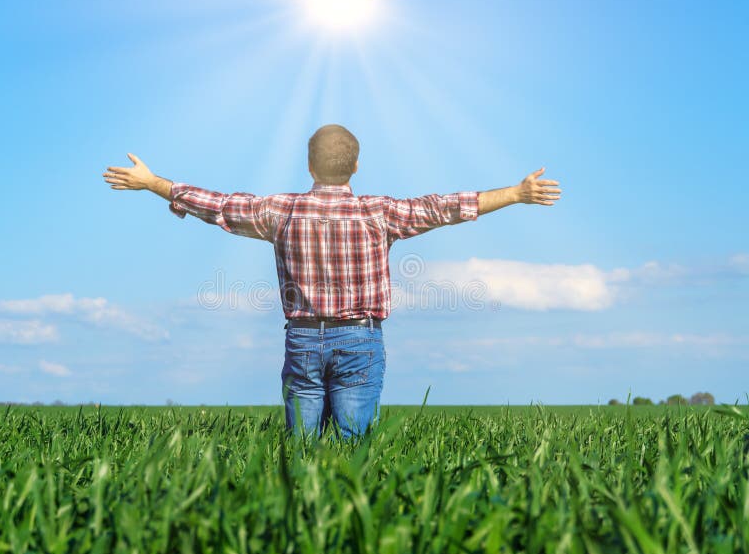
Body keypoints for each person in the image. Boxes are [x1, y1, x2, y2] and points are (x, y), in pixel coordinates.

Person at [103, 124, 561, 438]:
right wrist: (518, 194)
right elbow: (447, 206)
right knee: (352, 455)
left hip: (302, 340)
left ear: (309, 165)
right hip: (360, 340)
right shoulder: (379, 212)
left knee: (301, 454)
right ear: (355, 167)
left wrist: (152, 182)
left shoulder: (280, 210)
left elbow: (217, 204)